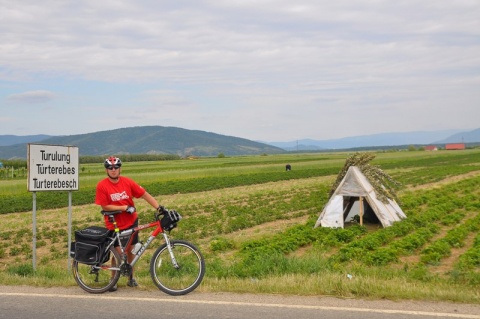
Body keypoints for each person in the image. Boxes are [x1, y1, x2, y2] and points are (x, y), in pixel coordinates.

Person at [95, 156, 164, 291]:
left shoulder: (127, 182)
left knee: (132, 250)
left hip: (131, 222)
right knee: (120, 254)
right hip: (115, 224)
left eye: (116, 167)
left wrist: (158, 207)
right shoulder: (102, 186)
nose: (113, 170)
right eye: (110, 168)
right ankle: (113, 280)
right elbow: (105, 207)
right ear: (106, 170)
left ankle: (131, 278)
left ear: (120, 168)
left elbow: (144, 194)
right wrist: (123, 208)